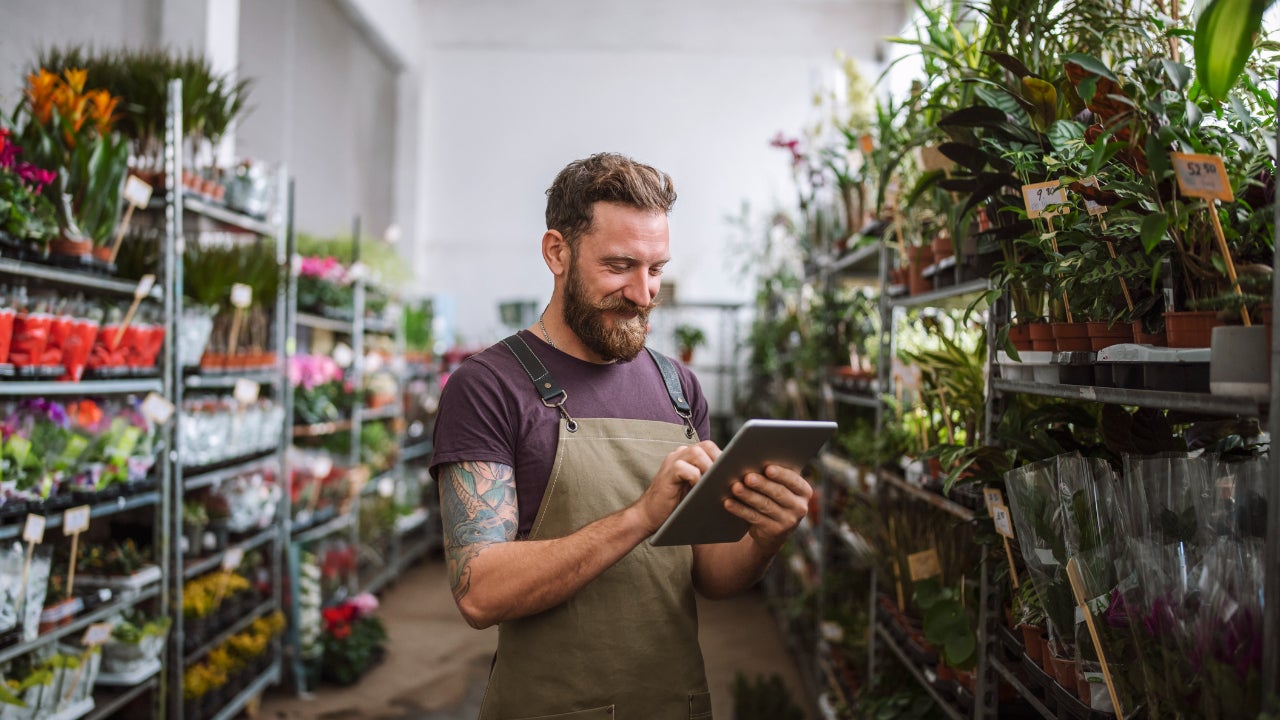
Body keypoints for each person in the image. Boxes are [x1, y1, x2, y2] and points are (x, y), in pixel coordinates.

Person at [431, 152, 813, 720]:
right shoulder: (488, 386)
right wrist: (639, 516)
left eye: (656, 269)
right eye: (619, 266)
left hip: (675, 704)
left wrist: (765, 536)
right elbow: (480, 592)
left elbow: (709, 572)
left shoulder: (678, 386)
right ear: (556, 252)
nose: (643, 292)